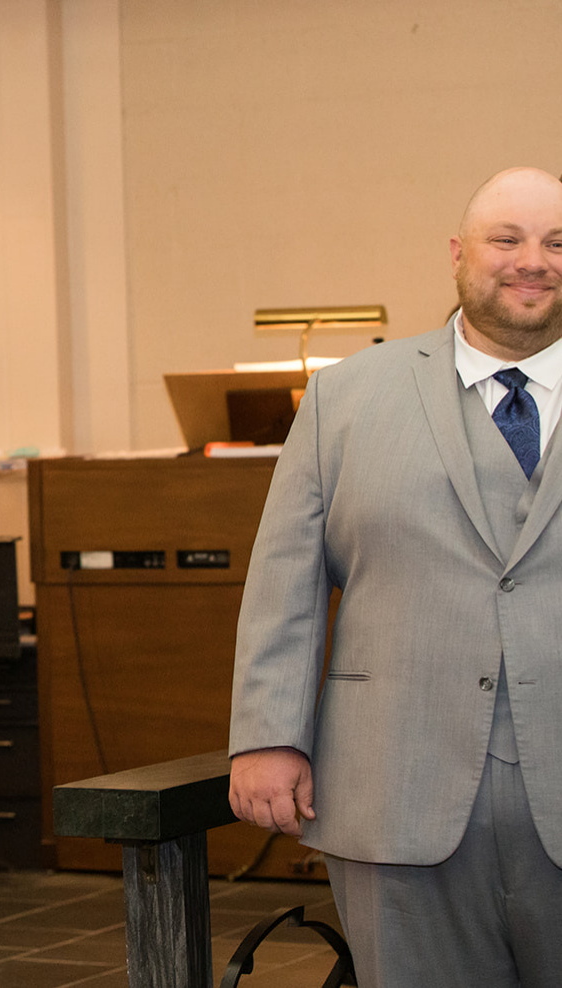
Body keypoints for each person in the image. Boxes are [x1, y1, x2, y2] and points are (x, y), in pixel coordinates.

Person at [228, 166, 562, 986]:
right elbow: (286, 581)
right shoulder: (345, 398)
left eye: (558, 242)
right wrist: (269, 735)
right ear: (458, 253)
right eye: (507, 239)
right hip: (397, 787)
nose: (534, 260)